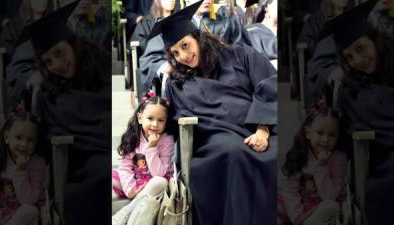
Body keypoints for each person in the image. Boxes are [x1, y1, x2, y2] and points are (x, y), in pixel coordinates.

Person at [146, 1, 277, 224]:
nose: (183, 56)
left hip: (260, 127)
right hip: (214, 143)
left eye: (185, 46)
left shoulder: (239, 55)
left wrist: (262, 130)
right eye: (175, 53)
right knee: (233, 153)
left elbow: (270, 83)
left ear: (197, 37)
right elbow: (177, 120)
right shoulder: (178, 83)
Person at [16, 2, 111, 225]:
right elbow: (50, 139)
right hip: (81, 166)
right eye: (48, 61)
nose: (57, 65)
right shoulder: (51, 94)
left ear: (72, 43)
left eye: (59, 53)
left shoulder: (102, 65)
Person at [318, 0, 394, 224]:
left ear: (374, 40)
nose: (358, 61)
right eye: (349, 57)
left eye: (361, 49)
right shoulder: (352, 91)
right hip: (383, 167)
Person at [139, 0, 253, 98]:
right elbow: (150, 59)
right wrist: (167, 67)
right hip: (188, 88)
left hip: (224, 82)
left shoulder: (227, 23)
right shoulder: (173, 25)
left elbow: (242, 53)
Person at [278, 101, 347, 225]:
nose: (325, 140)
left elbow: (330, 197)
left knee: (332, 206)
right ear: (308, 133)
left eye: (332, 135)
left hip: (319, 207)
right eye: (320, 133)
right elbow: (289, 189)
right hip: (298, 208)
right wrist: (298, 217)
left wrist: (322, 166)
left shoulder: (338, 159)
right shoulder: (300, 155)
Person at [111, 93, 174, 225]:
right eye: (150, 118)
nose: (155, 124)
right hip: (135, 181)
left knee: (161, 182)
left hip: (152, 183)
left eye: (161, 120)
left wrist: (152, 148)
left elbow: (159, 173)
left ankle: (125, 213)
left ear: (166, 121)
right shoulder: (134, 137)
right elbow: (125, 167)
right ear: (140, 118)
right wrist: (130, 189)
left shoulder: (166, 140)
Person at [0, 110, 46, 225]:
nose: (24, 144)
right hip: (0, 210)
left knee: (31, 210)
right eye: (18, 137)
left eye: (30, 140)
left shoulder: (37, 163)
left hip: (22, 210)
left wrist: (21, 171)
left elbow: (29, 201)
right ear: (7, 137)